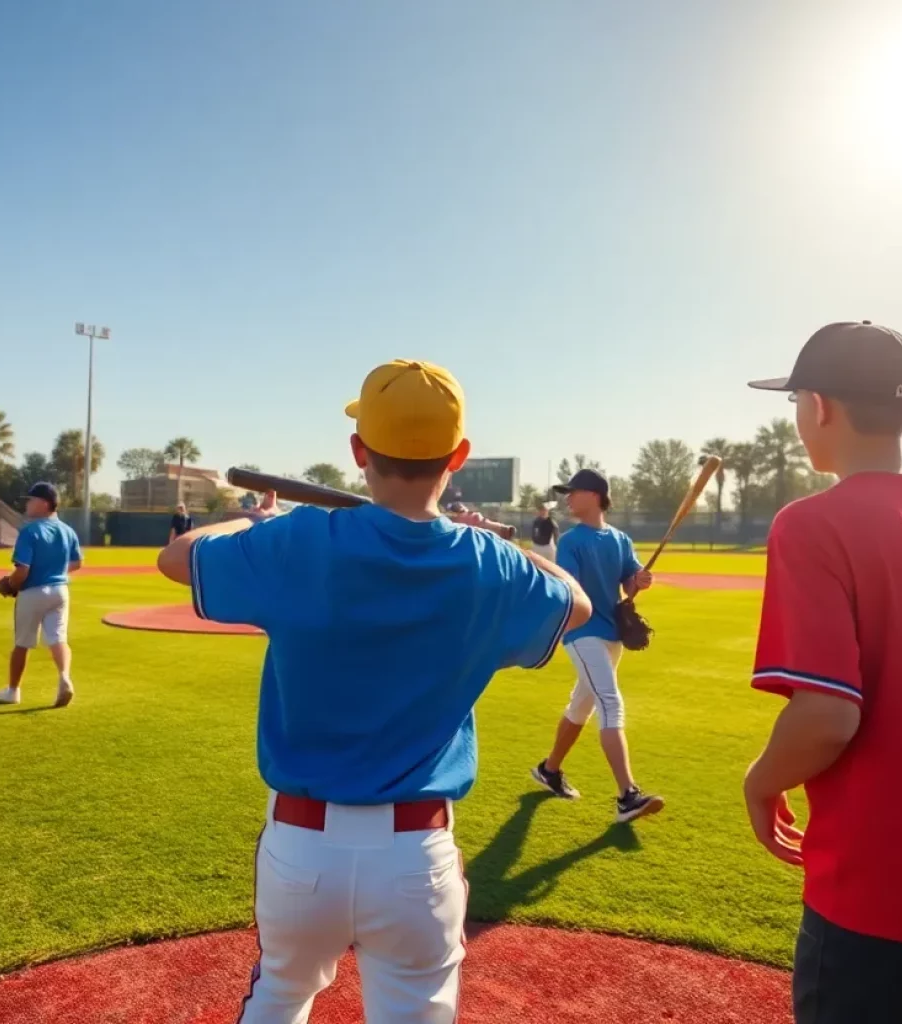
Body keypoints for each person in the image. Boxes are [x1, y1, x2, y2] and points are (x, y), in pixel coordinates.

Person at [157, 359, 590, 1023]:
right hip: (417, 857)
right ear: (460, 456)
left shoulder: (298, 539)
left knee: (279, 996)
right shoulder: (488, 565)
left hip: (301, 848)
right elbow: (578, 605)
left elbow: (176, 556)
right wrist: (492, 542)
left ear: (359, 452)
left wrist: (252, 521)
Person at [744, 321, 902, 1024]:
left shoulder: (812, 523)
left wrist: (760, 780)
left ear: (820, 406)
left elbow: (828, 716)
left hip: (876, 902)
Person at [530, 468, 664, 824]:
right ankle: (627, 795)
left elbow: (629, 584)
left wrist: (639, 580)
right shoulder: (572, 541)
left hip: (611, 633)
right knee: (610, 701)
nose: (568, 498)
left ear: (595, 496)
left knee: (582, 705)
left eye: (573, 492)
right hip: (581, 631)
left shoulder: (620, 539)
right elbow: (571, 589)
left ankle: (549, 769)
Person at [0, 482, 82, 708]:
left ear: (44, 504)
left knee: (22, 643)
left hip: (33, 592)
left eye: (31, 499)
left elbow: (22, 570)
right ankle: (64, 678)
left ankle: (13, 691)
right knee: (58, 638)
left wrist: (11, 584)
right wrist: (53, 571)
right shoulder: (67, 530)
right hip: (60, 592)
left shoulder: (30, 531)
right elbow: (77, 563)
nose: (27, 503)